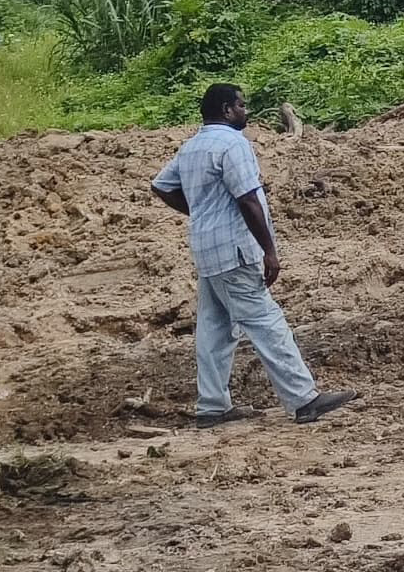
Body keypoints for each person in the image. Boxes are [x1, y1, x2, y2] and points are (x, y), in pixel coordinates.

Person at [151, 83, 357, 427]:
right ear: (227, 109)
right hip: (234, 251)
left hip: (206, 252)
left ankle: (213, 406)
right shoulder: (233, 145)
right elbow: (248, 199)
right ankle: (304, 399)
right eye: (242, 106)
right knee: (267, 323)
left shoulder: (192, 147)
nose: (245, 112)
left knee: (214, 329)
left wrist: (201, 213)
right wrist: (269, 251)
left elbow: (161, 185)